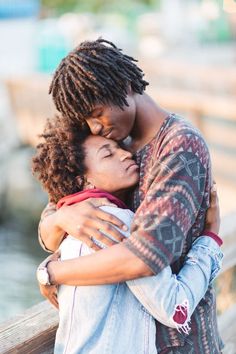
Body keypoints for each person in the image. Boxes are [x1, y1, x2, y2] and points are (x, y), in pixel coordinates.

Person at [38, 38, 223, 353]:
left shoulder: (179, 147)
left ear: (124, 86)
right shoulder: (109, 144)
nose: (95, 128)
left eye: (97, 113)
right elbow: (50, 226)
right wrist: (63, 216)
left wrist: (51, 272)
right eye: (86, 121)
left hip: (179, 341)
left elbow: (144, 257)